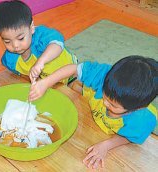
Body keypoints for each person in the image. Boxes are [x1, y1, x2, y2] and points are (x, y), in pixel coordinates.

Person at [29, 55, 157, 169]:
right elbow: (74, 69)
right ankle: (79, 87)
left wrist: (106, 145)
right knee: (76, 88)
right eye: (105, 96)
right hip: (90, 100)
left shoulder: (142, 119)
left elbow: (130, 137)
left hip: (107, 130)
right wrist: (45, 83)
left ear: (137, 108)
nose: (105, 103)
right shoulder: (105, 75)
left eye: (113, 105)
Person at [0, 0, 77, 84]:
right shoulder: (9, 59)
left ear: (32, 27)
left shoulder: (41, 36)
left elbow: (57, 45)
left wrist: (40, 62)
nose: (15, 45)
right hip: (52, 82)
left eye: (21, 38)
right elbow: (19, 74)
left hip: (70, 71)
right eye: (7, 41)